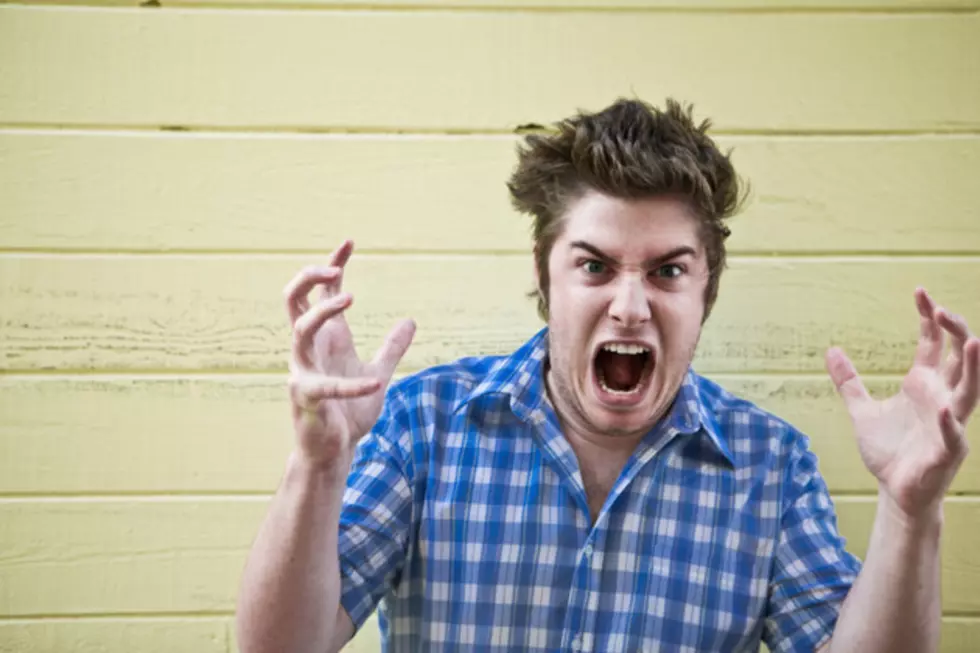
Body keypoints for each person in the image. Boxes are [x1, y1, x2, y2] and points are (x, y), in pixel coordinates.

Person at [235, 98, 979, 653]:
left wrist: (911, 514)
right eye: (594, 265)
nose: (630, 307)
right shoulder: (423, 423)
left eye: (667, 271)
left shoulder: (771, 466)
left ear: (705, 292)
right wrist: (318, 463)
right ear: (545, 276)